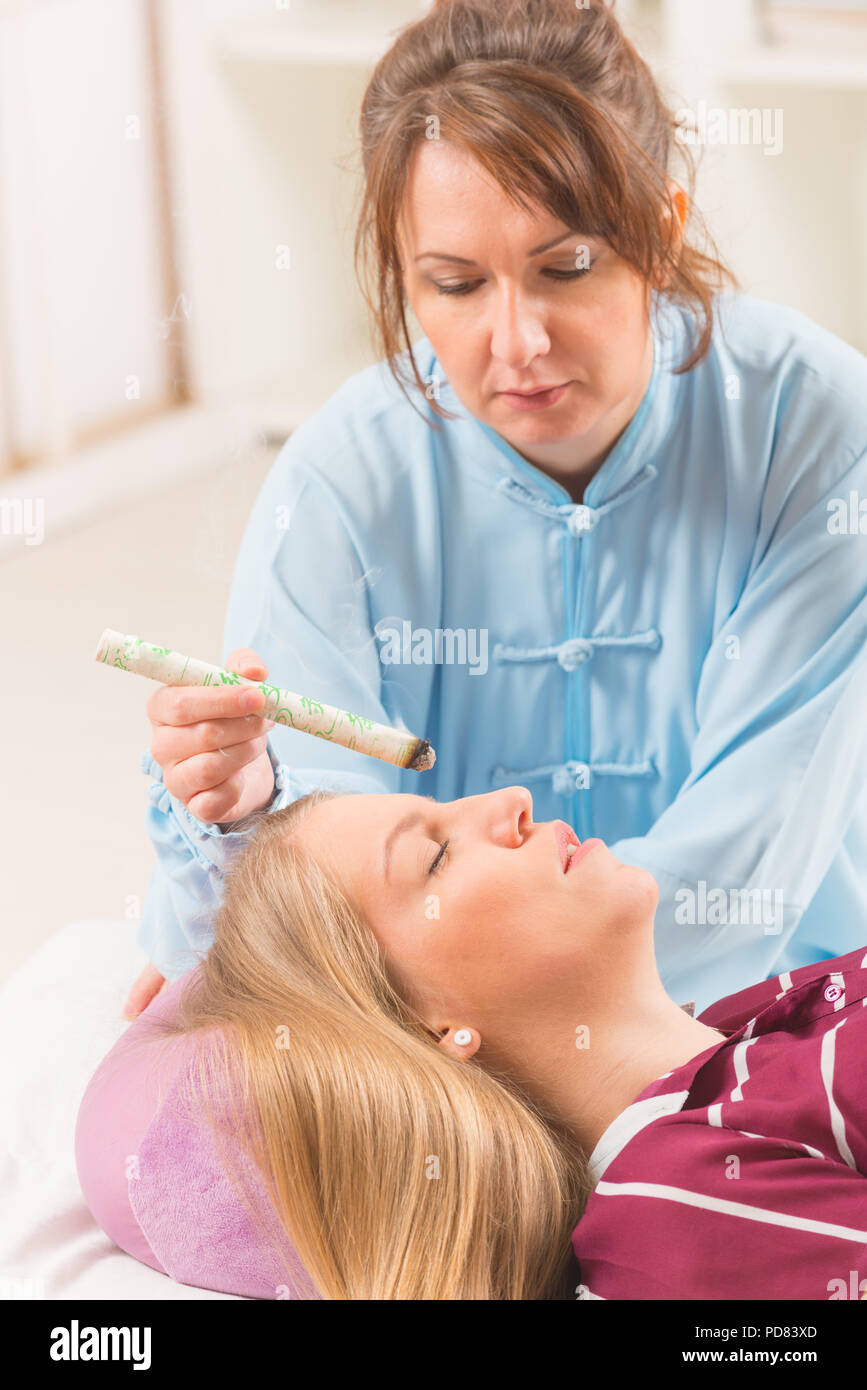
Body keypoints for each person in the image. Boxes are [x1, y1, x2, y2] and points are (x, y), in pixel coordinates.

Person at [127, 1, 867, 1038]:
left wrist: (407, 1004)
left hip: (754, 1016)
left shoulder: (818, 430)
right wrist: (248, 810)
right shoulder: (341, 480)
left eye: (565, 268)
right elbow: (308, 897)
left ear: (661, 228)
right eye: (455, 283)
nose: (515, 341)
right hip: (439, 1050)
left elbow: (739, 878)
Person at [78, 784, 867, 1300]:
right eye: (437, 854)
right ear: (430, 1026)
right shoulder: (681, 1206)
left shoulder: (767, 1014)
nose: (511, 800)